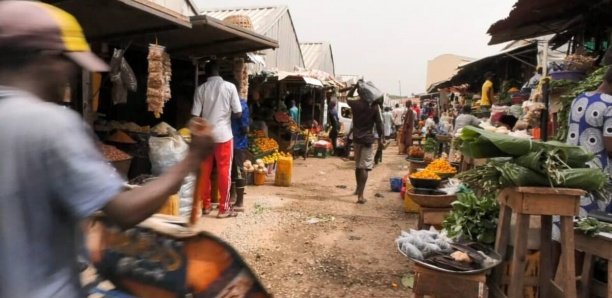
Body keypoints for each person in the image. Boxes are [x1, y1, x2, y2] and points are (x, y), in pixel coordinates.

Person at [0, 2, 215, 297]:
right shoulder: (51, 123)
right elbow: (122, 212)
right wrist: (191, 159)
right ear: (47, 57)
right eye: (68, 63)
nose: (71, 75)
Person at [192, 60, 242, 218]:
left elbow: (194, 115)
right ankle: (223, 208)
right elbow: (238, 112)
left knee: (204, 172)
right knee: (224, 172)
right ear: (218, 71)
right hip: (224, 136)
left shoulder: (201, 89)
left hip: (206, 137)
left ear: (206, 73)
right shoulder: (230, 87)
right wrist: (226, 115)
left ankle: (205, 206)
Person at [565, 65, 612, 214]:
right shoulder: (610, 105)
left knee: (573, 212)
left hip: (572, 166)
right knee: (595, 219)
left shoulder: (579, 98)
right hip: (596, 173)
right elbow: (610, 145)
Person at [347, 82, 384, 204]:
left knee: (358, 165)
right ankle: (361, 196)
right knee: (364, 167)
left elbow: (348, 97)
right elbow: (379, 123)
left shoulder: (355, 104)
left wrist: (354, 87)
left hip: (357, 139)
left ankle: (358, 189)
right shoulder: (374, 107)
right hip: (367, 140)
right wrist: (381, 137)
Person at [231, 95, 250, 212]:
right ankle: (239, 201)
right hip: (239, 143)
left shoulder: (226, 103)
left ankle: (235, 198)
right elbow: (245, 128)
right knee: (238, 170)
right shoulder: (242, 104)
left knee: (232, 170)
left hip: (226, 141)